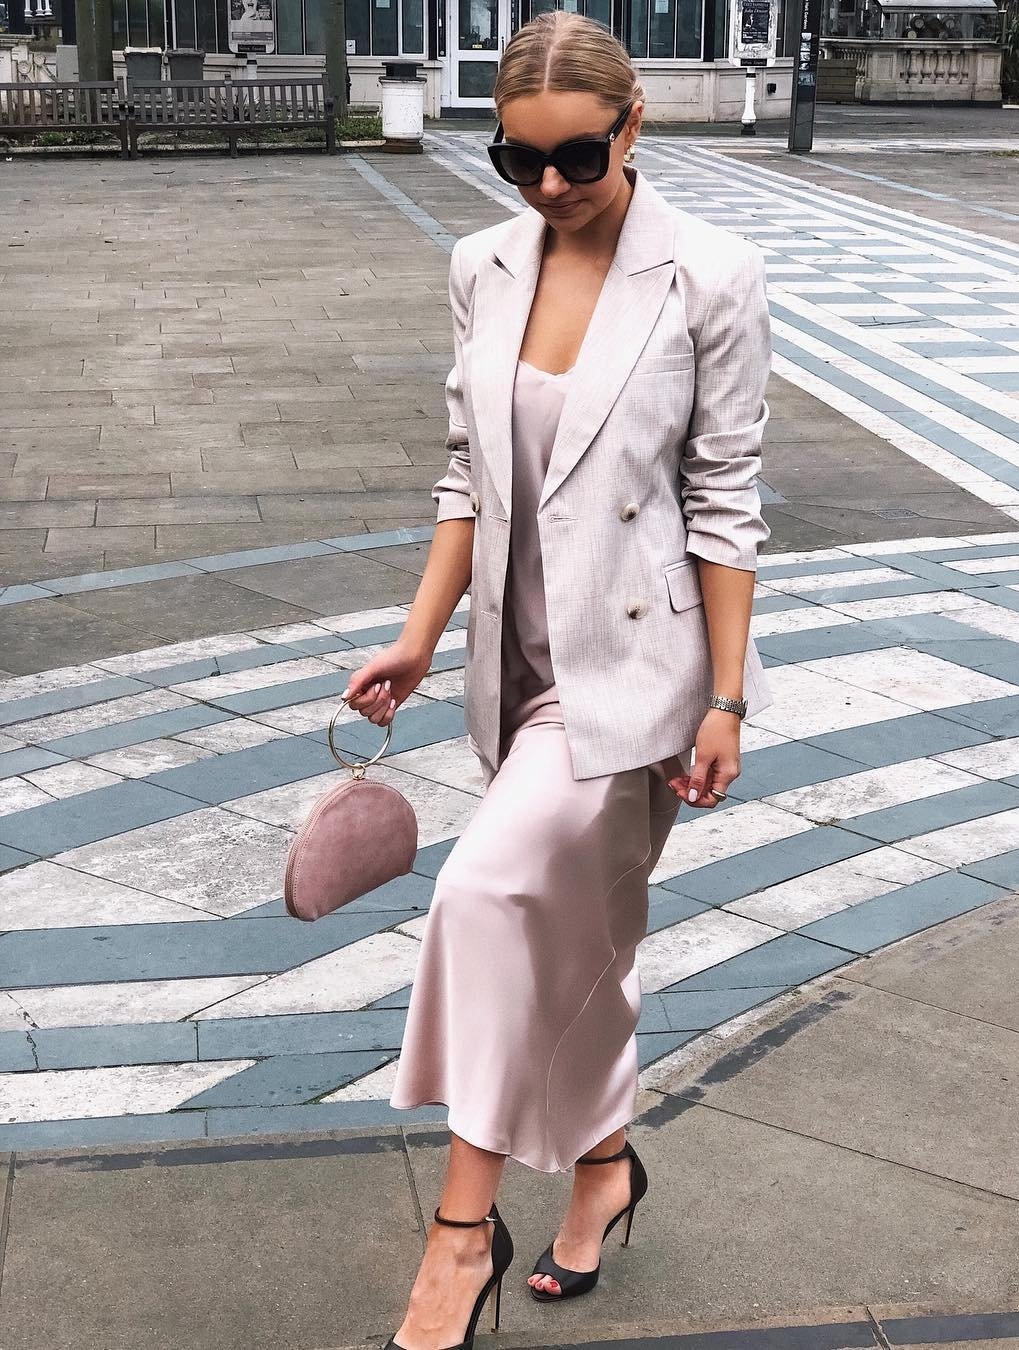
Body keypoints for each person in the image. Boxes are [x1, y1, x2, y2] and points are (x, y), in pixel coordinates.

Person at [341, 12, 772, 1349]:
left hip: (637, 678)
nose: (547, 185)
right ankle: (604, 1169)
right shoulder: (482, 263)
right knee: (584, 941)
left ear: (633, 126)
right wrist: (421, 635)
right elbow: (465, 473)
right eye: (517, 160)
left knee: (484, 897)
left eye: (577, 157)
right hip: (513, 660)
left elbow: (726, 500)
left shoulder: (711, 275)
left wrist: (726, 698)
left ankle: (460, 1234)